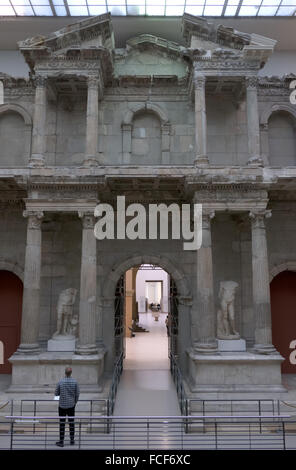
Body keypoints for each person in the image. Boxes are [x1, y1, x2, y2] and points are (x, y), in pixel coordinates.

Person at [55, 367, 80, 447]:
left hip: (62, 406)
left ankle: (61, 441)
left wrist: (61, 396)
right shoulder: (75, 382)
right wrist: (74, 402)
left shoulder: (61, 382)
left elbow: (56, 393)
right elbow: (77, 394)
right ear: (71, 373)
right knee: (71, 423)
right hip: (71, 406)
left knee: (62, 423)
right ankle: (72, 440)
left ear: (65, 373)